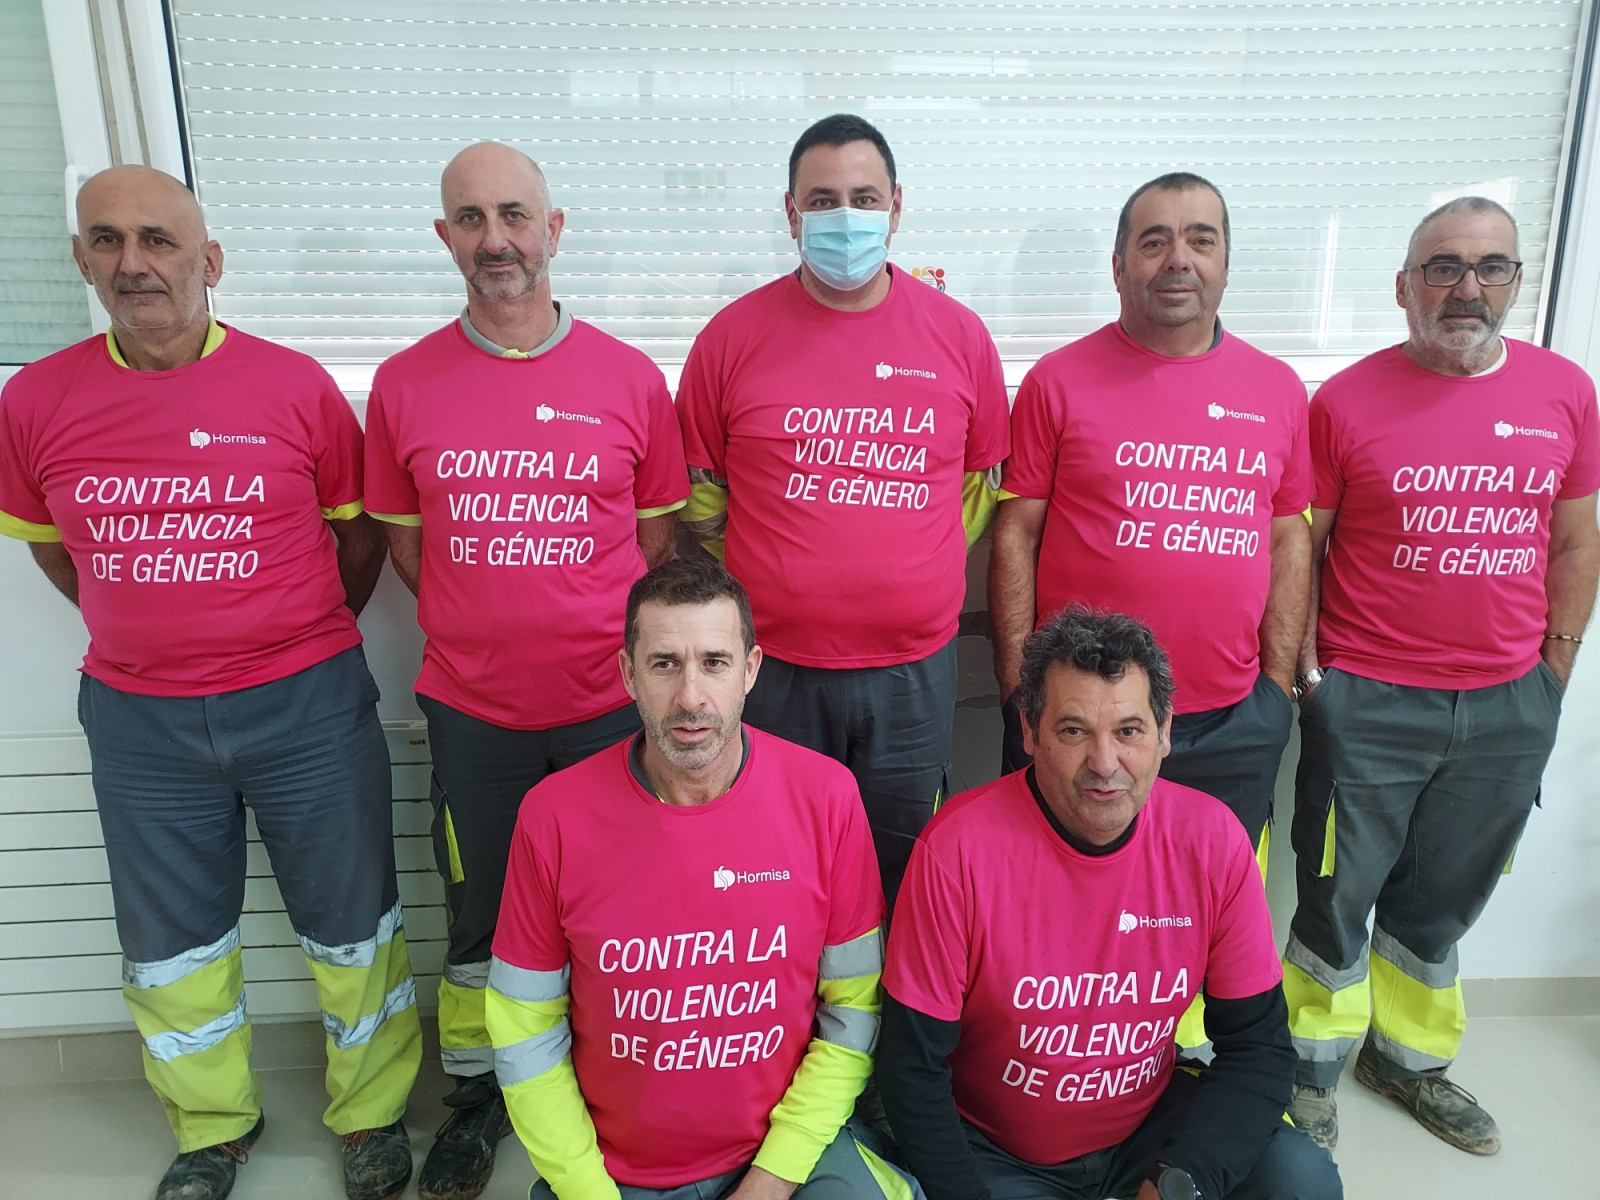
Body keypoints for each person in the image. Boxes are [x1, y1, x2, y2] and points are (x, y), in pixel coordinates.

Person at [0, 166, 420, 1200]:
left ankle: (370, 1117)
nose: (133, 262)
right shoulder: (35, 400)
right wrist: (153, 627)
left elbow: (359, 539)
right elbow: (56, 550)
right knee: (172, 943)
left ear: (210, 261)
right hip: (139, 721)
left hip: (307, 703)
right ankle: (212, 1128)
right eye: (107, 240)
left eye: (158, 239)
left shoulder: (294, 387)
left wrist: (283, 632)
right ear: (81, 260)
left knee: (353, 922)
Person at [364, 141, 688, 1199]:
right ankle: (477, 1095)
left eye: (514, 215)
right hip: (475, 712)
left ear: (553, 230)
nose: (494, 238)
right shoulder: (404, 385)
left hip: (608, 711)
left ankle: (606, 1075)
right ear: (444, 236)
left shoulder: (629, 380)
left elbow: (656, 546)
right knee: (483, 912)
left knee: (619, 904)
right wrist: (492, 623)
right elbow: (410, 549)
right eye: (470, 218)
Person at [1283, 196, 1600, 1155]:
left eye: (1491, 266)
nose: (1468, 287)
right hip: (1370, 700)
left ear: (1516, 282)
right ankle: (1308, 1069)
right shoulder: (1343, 402)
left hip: (1508, 705)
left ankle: (1408, 1062)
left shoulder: (1565, 393)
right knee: (1337, 894)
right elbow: (1301, 547)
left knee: (1445, 898)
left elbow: (1575, 540)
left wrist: (1553, 673)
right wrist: (1312, 677)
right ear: (1404, 287)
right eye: (1444, 267)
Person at [484, 558, 924, 1200]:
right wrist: (586, 1187)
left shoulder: (826, 797)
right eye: (664, 664)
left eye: (714, 663)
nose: (691, 697)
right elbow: (525, 1034)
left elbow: (853, 1010)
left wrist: (772, 1180)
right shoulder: (552, 816)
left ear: (750, 670)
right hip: (611, 1175)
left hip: (789, 1154)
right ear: (628, 674)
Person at [879, 606, 1341, 1200]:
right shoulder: (957, 850)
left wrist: (1180, 1180)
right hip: (996, 1154)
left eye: (1129, 731)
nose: (1104, 764)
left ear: (1164, 732)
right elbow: (911, 1072)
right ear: (1029, 732)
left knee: (1303, 1180)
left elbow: (1259, 1051)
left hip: (1147, 1134)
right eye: (1073, 731)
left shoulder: (1212, 840)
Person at [676, 112, 1010, 904]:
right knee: (776, 871)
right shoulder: (730, 340)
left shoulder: (960, 338)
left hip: (912, 673)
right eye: (823, 201)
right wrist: (778, 570)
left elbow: (977, 488)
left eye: (863, 198)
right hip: (773, 670)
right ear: (791, 213)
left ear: (896, 207)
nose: (845, 218)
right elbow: (702, 498)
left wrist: (911, 564)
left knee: (905, 878)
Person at [990, 172, 1312, 862]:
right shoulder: (1057, 381)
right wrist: (1020, 690)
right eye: (1155, 241)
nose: (1178, 260)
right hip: (1084, 720)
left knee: (1214, 898)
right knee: (1061, 895)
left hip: (1232, 720)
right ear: (1118, 266)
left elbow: (1289, 537)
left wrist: (1275, 689)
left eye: (1201, 241)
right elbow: (1016, 536)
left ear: (1226, 264)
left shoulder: (1279, 389)